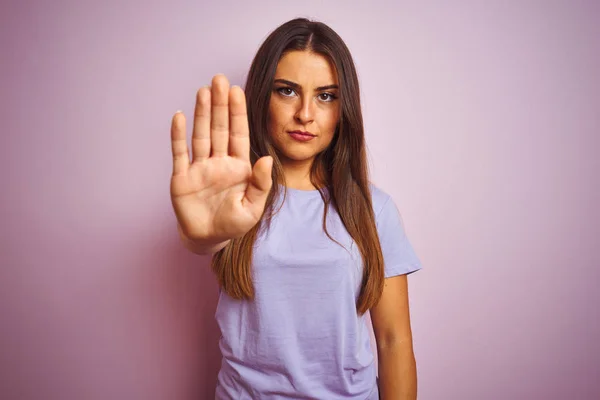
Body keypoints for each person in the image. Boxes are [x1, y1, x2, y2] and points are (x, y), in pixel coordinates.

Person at [169, 17, 422, 400]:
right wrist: (198, 236)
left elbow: (393, 340)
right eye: (287, 91)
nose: (305, 113)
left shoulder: (376, 210)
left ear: (344, 107)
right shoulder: (231, 200)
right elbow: (201, 239)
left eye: (326, 96)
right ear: (261, 97)